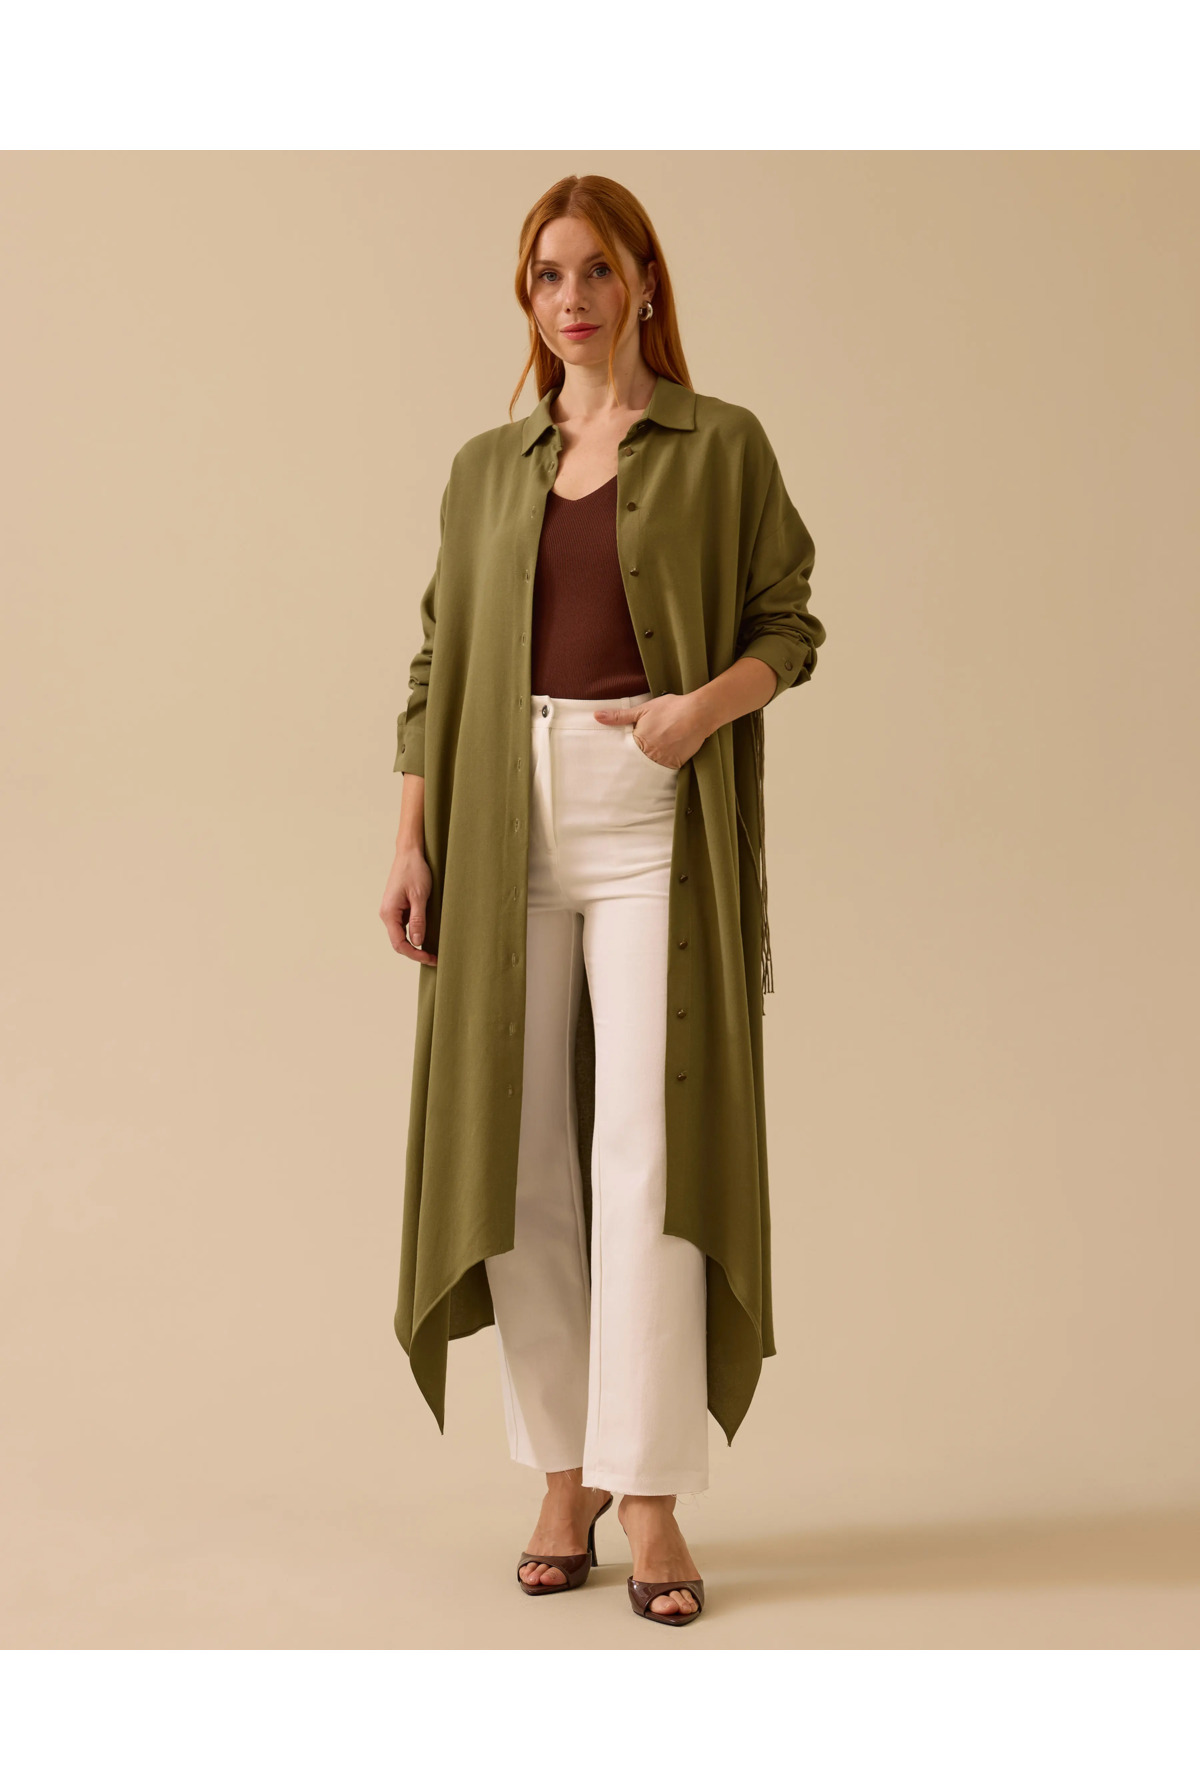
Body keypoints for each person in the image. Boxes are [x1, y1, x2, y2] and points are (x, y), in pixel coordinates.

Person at [380, 173, 825, 1627]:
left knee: (647, 1146)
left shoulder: (721, 444)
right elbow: (436, 662)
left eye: (593, 271)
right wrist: (413, 841)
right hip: (501, 809)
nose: (568, 299)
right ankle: (561, 1475)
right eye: (544, 275)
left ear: (643, 281)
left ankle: (650, 1495)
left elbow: (790, 623)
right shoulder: (483, 467)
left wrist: (700, 712)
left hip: (649, 808)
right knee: (519, 1157)